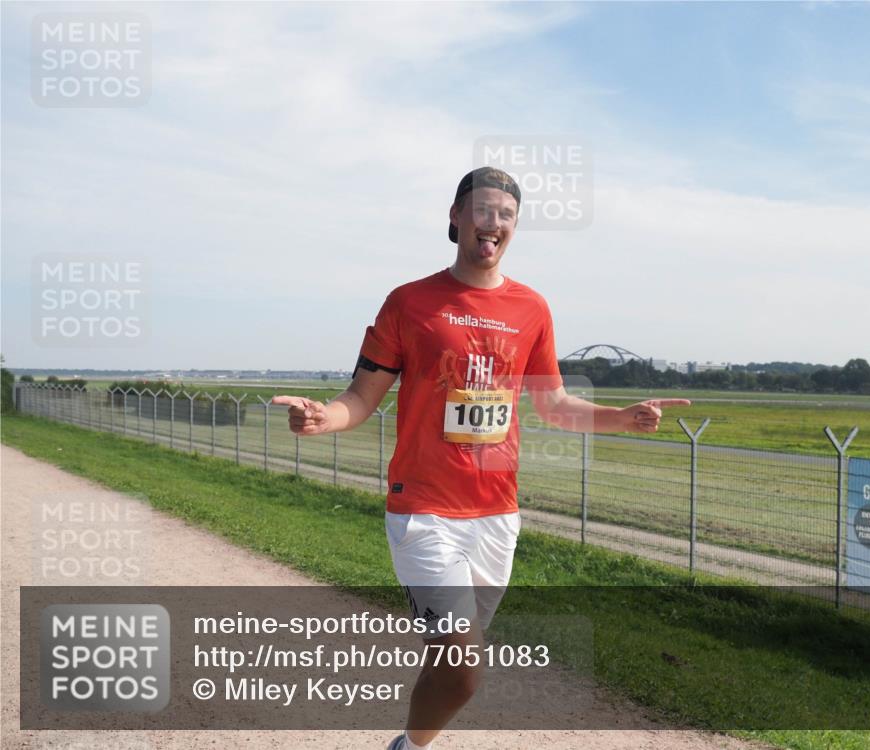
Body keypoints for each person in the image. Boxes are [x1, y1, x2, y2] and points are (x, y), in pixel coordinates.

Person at [273, 167, 689, 750]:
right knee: (465, 667)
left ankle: (406, 745)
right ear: (456, 216)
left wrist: (622, 417)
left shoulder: (532, 307)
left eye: (506, 215)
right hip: (424, 511)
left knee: (452, 666)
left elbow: (555, 403)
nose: (493, 224)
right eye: (483, 210)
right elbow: (361, 397)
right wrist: (323, 418)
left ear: (514, 227)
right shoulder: (410, 302)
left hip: (496, 515)